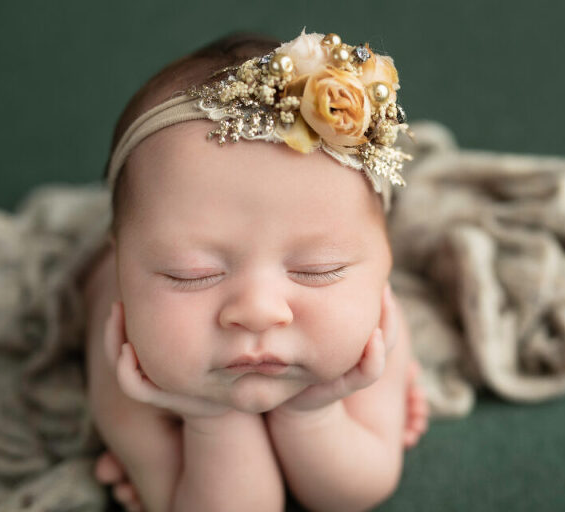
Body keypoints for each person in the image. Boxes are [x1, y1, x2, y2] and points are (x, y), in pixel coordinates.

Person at [79, 29, 429, 511]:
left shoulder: (375, 331)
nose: (259, 312)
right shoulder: (125, 357)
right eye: (190, 274)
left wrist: (314, 412)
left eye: (317, 269)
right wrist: (210, 420)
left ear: (384, 263)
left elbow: (354, 495)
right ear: (123, 268)